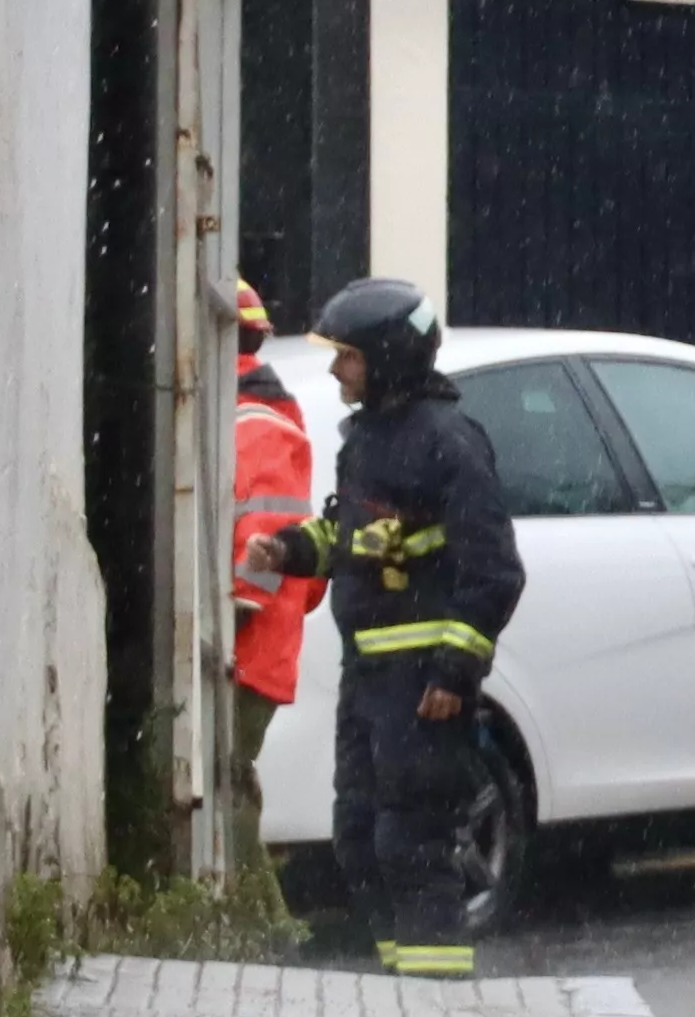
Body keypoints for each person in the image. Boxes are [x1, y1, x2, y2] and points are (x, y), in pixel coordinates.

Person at [250, 277, 524, 979]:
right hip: (367, 678)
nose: (339, 370)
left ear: (392, 358)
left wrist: (453, 675)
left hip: (421, 687)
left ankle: (436, 998)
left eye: (350, 356)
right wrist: (289, 550)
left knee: (415, 841)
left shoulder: (450, 443)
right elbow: (350, 530)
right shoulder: (367, 438)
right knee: (360, 839)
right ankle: (403, 987)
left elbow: (493, 572)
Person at [215, 273, 318, 874]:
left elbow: (270, 545)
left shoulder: (254, 420)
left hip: (248, 644)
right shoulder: (264, 412)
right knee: (229, 780)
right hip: (257, 645)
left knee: (228, 782)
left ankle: (262, 932)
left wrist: (236, 607)